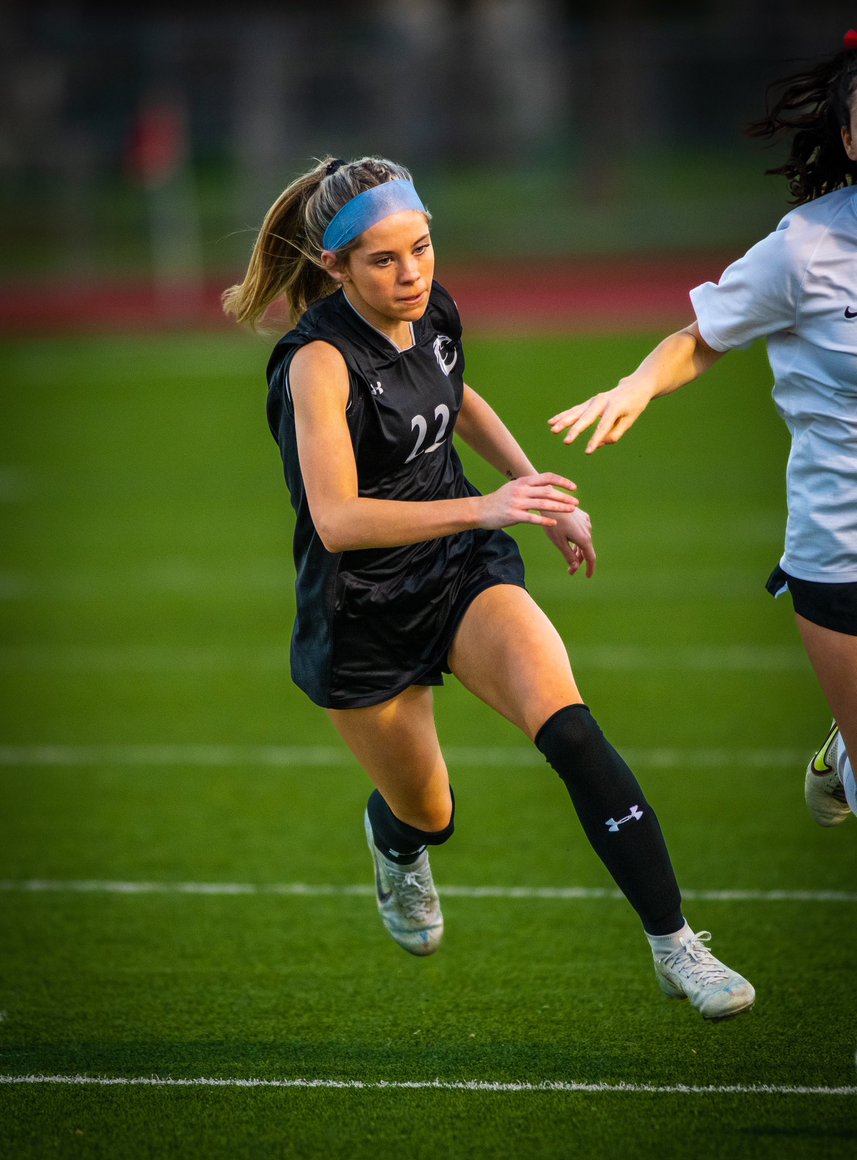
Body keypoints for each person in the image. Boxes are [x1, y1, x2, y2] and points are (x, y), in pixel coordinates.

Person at [222, 154, 755, 1021]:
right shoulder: (315, 363)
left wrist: (533, 494)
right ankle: (398, 846)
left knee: (573, 732)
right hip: (361, 609)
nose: (412, 274)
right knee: (429, 813)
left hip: (461, 570)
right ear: (334, 267)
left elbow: (454, 391)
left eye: (422, 249)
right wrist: (490, 504)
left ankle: (675, 946)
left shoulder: (429, 306)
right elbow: (338, 522)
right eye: (384, 261)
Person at [550, 31, 857, 831]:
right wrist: (635, 386)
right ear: (849, 137)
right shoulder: (805, 249)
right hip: (840, 544)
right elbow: (699, 336)